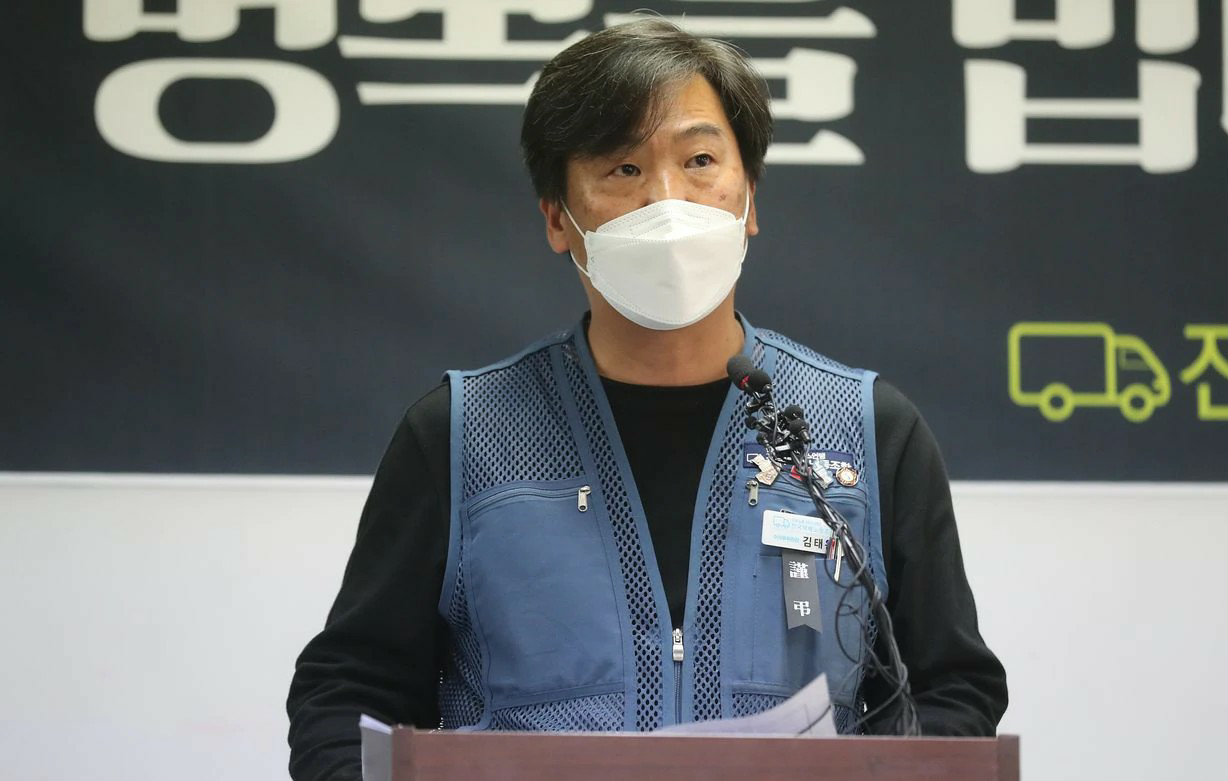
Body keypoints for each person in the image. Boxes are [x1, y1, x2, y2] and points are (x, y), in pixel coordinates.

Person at [286, 18, 1007, 781]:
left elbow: (950, 688)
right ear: (558, 218)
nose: (668, 202)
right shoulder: (461, 434)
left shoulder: (867, 430)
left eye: (700, 161)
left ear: (749, 199)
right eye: (624, 169)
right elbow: (348, 694)